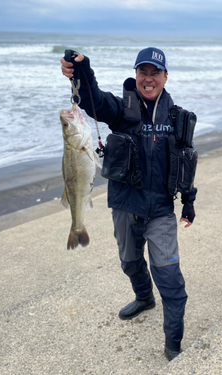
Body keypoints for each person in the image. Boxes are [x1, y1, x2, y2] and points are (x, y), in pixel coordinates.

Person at [60, 47, 197, 361]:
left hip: (161, 210)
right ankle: (144, 297)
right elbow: (92, 99)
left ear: (165, 76)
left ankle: (173, 344)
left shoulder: (177, 119)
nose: (148, 79)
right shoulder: (121, 110)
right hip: (125, 204)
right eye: (142, 72)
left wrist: (188, 201)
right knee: (130, 262)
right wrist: (81, 72)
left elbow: (187, 161)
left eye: (155, 73)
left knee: (170, 279)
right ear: (136, 76)